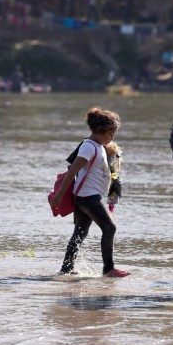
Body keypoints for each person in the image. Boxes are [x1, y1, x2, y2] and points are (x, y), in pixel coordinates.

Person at [49, 107, 130, 278]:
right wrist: (58, 196)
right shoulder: (88, 147)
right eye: (111, 133)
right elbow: (72, 173)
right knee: (110, 227)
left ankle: (66, 269)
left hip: (86, 197)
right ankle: (109, 269)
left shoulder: (99, 146)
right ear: (101, 131)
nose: (112, 137)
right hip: (87, 197)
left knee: (80, 233)